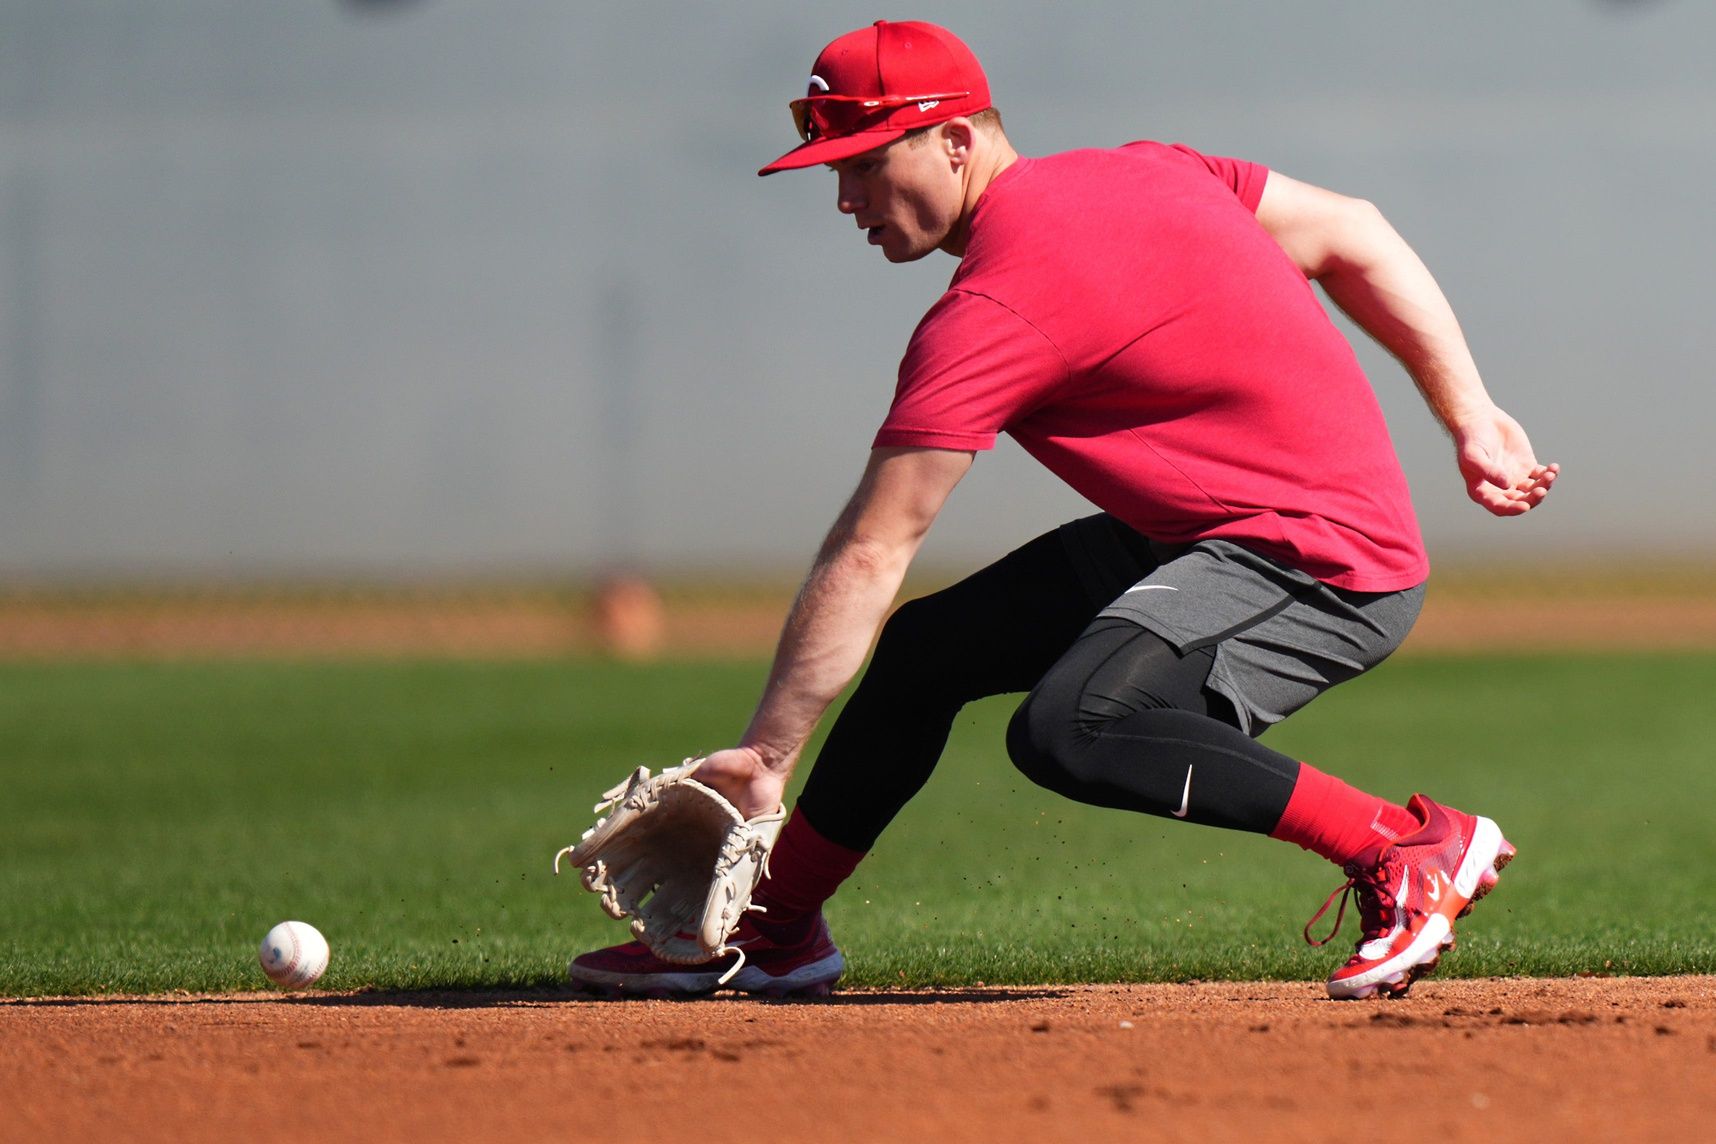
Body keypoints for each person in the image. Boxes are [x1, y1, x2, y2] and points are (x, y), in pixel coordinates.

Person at [567, 19, 1558, 1001]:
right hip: (1211, 533)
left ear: (955, 139)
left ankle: (1407, 846)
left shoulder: (992, 312)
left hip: (1322, 562)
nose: (845, 197)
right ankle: (776, 932)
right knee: (927, 655)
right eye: (835, 169)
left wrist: (768, 757)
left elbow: (872, 549)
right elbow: (1355, 231)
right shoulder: (1149, 168)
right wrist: (1469, 415)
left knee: (1074, 725)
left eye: (866, 162)